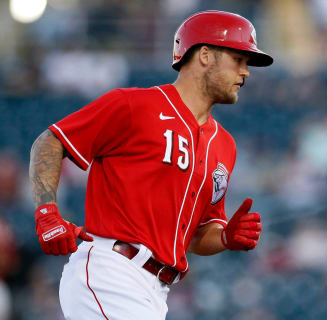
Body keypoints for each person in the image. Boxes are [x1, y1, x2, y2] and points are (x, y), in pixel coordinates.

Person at [29, 10, 273, 320]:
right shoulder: (136, 106)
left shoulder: (225, 145)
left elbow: (197, 235)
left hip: (156, 291)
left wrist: (224, 237)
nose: (246, 72)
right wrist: (47, 214)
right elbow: (50, 142)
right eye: (238, 59)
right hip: (110, 270)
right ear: (206, 55)